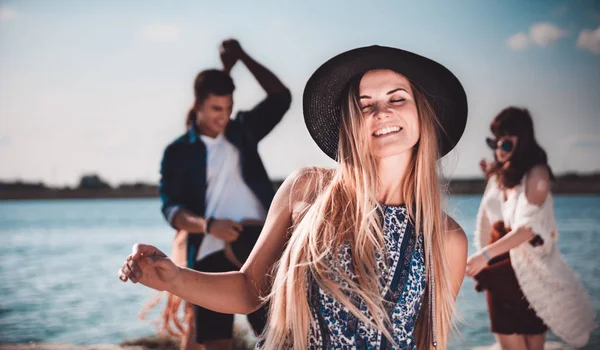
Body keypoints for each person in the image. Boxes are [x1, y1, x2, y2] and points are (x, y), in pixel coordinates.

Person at [120, 45, 469, 349]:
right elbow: (248, 290)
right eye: (365, 105)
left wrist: (239, 57)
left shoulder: (447, 238)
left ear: (422, 114)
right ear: (349, 123)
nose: (382, 112)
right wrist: (174, 278)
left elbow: (428, 343)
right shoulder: (308, 190)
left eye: (397, 98)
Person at [153, 38, 291, 350]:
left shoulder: (242, 131)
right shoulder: (177, 152)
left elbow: (281, 97)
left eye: (228, 108)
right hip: (210, 254)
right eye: (216, 108)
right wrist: (208, 225)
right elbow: (171, 208)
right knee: (216, 343)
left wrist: (241, 57)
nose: (223, 116)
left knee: (277, 339)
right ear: (198, 104)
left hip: (260, 246)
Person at [468, 107, 596, 350]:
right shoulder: (500, 177)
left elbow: (528, 228)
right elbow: (494, 212)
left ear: (522, 138)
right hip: (499, 272)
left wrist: (484, 256)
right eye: (494, 141)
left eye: (505, 140)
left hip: (528, 271)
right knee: (508, 341)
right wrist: (493, 173)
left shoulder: (537, 174)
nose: (498, 147)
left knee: (532, 343)